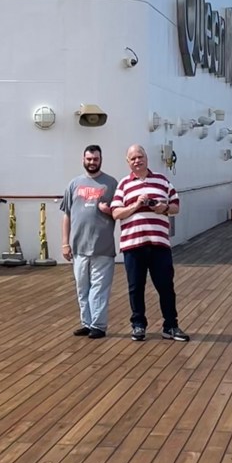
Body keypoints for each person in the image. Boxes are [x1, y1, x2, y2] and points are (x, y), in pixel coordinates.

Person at [110, 144, 190, 342]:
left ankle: (170, 325)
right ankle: (138, 325)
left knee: (165, 286)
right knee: (135, 287)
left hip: (159, 244)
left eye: (140, 156)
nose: (137, 161)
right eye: (133, 158)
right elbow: (115, 212)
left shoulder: (162, 180)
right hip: (133, 244)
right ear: (128, 162)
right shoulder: (123, 184)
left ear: (146, 158)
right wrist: (136, 205)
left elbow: (176, 206)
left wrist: (162, 208)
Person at [60, 145, 118, 339]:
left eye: (95, 159)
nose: (92, 162)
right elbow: (67, 215)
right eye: (89, 159)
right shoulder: (74, 184)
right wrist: (64, 243)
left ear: (101, 159)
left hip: (102, 247)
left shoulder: (111, 184)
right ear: (83, 159)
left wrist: (108, 210)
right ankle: (87, 322)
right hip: (79, 247)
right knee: (82, 288)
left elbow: (120, 212)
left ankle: (98, 325)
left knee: (99, 288)